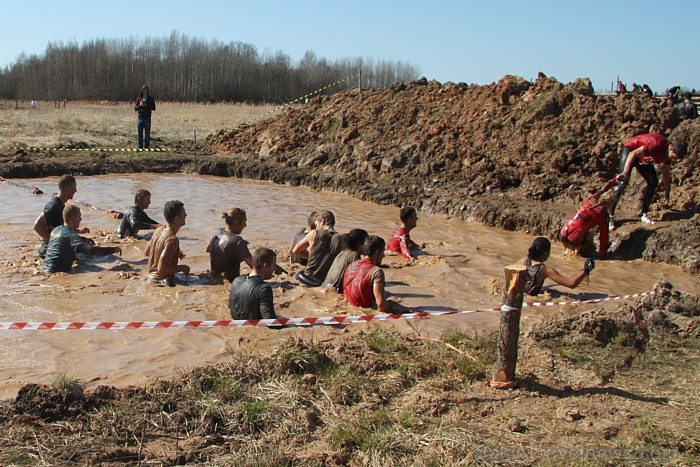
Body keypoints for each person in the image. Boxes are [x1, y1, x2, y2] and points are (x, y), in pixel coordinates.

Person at [609, 133, 677, 227]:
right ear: (672, 149)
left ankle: (643, 214)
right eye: (674, 157)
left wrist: (667, 190)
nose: (673, 159)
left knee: (653, 182)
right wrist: (625, 172)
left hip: (641, 157)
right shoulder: (656, 145)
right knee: (623, 182)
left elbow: (666, 172)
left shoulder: (668, 154)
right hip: (630, 150)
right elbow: (633, 154)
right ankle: (610, 216)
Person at [44, 205, 121, 273]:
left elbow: (64, 240)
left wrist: (84, 239)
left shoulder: (56, 230)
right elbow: (91, 250)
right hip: (57, 272)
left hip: (46, 268)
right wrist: (113, 249)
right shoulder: (71, 236)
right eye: (79, 216)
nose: (80, 219)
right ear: (72, 219)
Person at [559, 177, 620, 259]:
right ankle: (579, 252)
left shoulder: (592, 199)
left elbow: (603, 188)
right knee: (590, 234)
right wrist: (603, 255)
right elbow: (603, 237)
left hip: (562, 234)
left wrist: (615, 180)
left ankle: (571, 252)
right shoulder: (603, 216)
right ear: (610, 204)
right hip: (574, 240)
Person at [343, 235, 403, 313]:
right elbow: (381, 305)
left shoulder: (351, 266)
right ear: (377, 252)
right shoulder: (376, 272)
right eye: (382, 252)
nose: (384, 256)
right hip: (365, 312)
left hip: (351, 308)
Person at [33, 175, 88, 258]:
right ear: (68, 188)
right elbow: (37, 225)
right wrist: (54, 242)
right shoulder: (54, 205)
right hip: (48, 253)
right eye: (74, 187)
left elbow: (59, 228)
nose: (75, 190)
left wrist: (79, 231)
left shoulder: (61, 204)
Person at [521, 237, 594, 296]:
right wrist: (586, 270)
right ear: (546, 253)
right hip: (533, 296)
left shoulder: (524, 261)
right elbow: (571, 284)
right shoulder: (546, 270)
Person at [293, 210, 344, 287]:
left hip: (307, 277)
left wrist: (310, 257)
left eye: (316, 224)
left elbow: (296, 250)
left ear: (322, 221)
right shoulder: (341, 239)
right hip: (324, 280)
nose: (316, 227)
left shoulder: (314, 233)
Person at [145, 200, 190, 286]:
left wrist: (174, 253)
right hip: (160, 281)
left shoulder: (158, 230)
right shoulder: (172, 240)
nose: (186, 215)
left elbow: (147, 252)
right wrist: (182, 267)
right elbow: (161, 269)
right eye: (184, 213)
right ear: (177, 218)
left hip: (148, 277)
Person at [228, 247, 280, 320]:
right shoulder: (263, 289)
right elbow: (271, 323)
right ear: (265, 267)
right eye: (273, 265)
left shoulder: (236, 281)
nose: (274, 269)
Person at [206, 208, 253, 283]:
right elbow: (254, 266)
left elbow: (208, 249)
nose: (245, 225)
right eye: (244, 222)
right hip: (232, 282)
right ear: (236, 223)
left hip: (214, 279)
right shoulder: (238, 241)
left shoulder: (216, 234)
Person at [323, 228, 369, 293]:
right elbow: (356, 280)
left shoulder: (343, 252)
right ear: (359, 244)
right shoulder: (355, 256)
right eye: (366, 243)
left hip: (325, 286)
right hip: (335, 291)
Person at [135, 84, 156, 149]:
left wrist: (147, 105)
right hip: (140, 117)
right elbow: (135, 108)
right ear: (142, 91)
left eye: (146, 91)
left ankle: (147, 146)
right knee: (140, 132)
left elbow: (154, 108)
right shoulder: (139, 99)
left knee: (147, 133)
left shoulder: (150, 99)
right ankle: (140, 146)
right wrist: (140, 106)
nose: (145, 92)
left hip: (147, 117)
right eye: (144, 91)